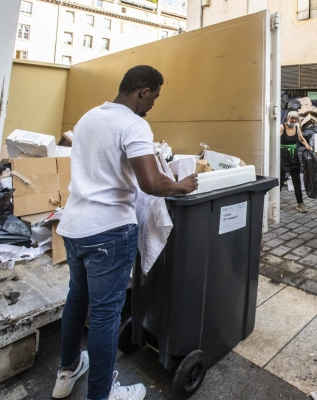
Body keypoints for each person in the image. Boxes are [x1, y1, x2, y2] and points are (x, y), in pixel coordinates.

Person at [53, 65, 198, 400]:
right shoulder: (134, 124)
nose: (153, 104)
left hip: (75, 226)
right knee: (105, 317)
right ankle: (102, 394)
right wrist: (181, 185)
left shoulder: (89, 117)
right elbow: (151, 182)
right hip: (108, 231)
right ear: (143, 90)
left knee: (77, 300)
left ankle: (67, 370)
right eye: (154, 97)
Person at [280, 111, 312, 213]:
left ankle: (300, 203)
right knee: (280, 181)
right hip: (283, 158)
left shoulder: (297, 127)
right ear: (287, 118)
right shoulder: (281, 128)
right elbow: (274, 140)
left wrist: (307, 146)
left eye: (295, 119)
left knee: (297, 181)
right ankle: (274, 201)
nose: (293, 120)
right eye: (291, 118)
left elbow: (301, 139)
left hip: (293, 158)